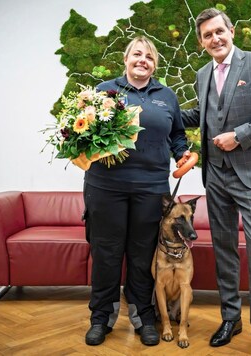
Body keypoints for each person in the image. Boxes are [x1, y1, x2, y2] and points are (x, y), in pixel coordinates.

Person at [181, 8, 251, 356]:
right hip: (215, 175)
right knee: (224, 248)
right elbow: (204, 114)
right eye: (207, 35)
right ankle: (230, 318)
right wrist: (161, 111)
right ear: (201, 43)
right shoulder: (201, 74)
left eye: (219, 31)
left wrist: (239, 136)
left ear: (231, 31)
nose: (214, 39)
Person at [83, 36, 189, 347]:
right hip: (105, 186)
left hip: (152, 188)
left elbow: (178, 135)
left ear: (155, 65)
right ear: (126, 59)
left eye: (149, 57)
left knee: (143, 256)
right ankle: (101, 318)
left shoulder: (166, 96)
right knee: (106, 253)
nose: (143, 60)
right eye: (137, 54)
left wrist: (182, 153)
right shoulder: (105, 91)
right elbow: (86, 131)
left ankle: (143, 317)